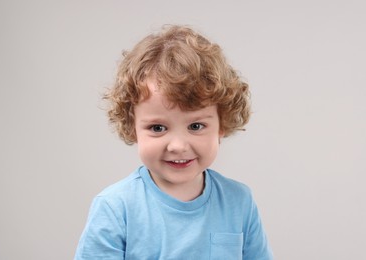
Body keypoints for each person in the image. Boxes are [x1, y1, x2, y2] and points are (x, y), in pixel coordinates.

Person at [75, 24, 273, 259]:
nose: (178, 145)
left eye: (196, 126)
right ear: (132, 126)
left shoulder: (238, 201)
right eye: (158, 128)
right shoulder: (116, 208)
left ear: (222, 125)